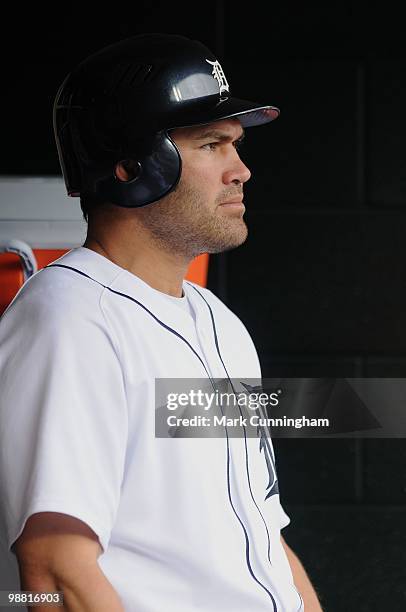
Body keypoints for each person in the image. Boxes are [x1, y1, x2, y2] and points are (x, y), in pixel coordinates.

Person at [0, 34, 323, 611]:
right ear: (132, 166)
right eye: (211, 144)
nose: (241, 170)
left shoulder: (219, 322)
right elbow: (52, 569)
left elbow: (262, 536)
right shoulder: (69, 318)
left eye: (236, 145)